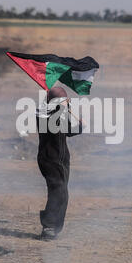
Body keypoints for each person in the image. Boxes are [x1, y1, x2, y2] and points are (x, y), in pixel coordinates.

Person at [36, 86, 83, 240]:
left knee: (61, 192)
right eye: (63, 100)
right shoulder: (45, 114)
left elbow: (67, 131)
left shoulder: (56, 113)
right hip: (52, 159)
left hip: (59, 159)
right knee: (58, 192)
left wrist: (80, 126)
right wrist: (62, 108)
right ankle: (49, 227)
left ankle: (54, 227)